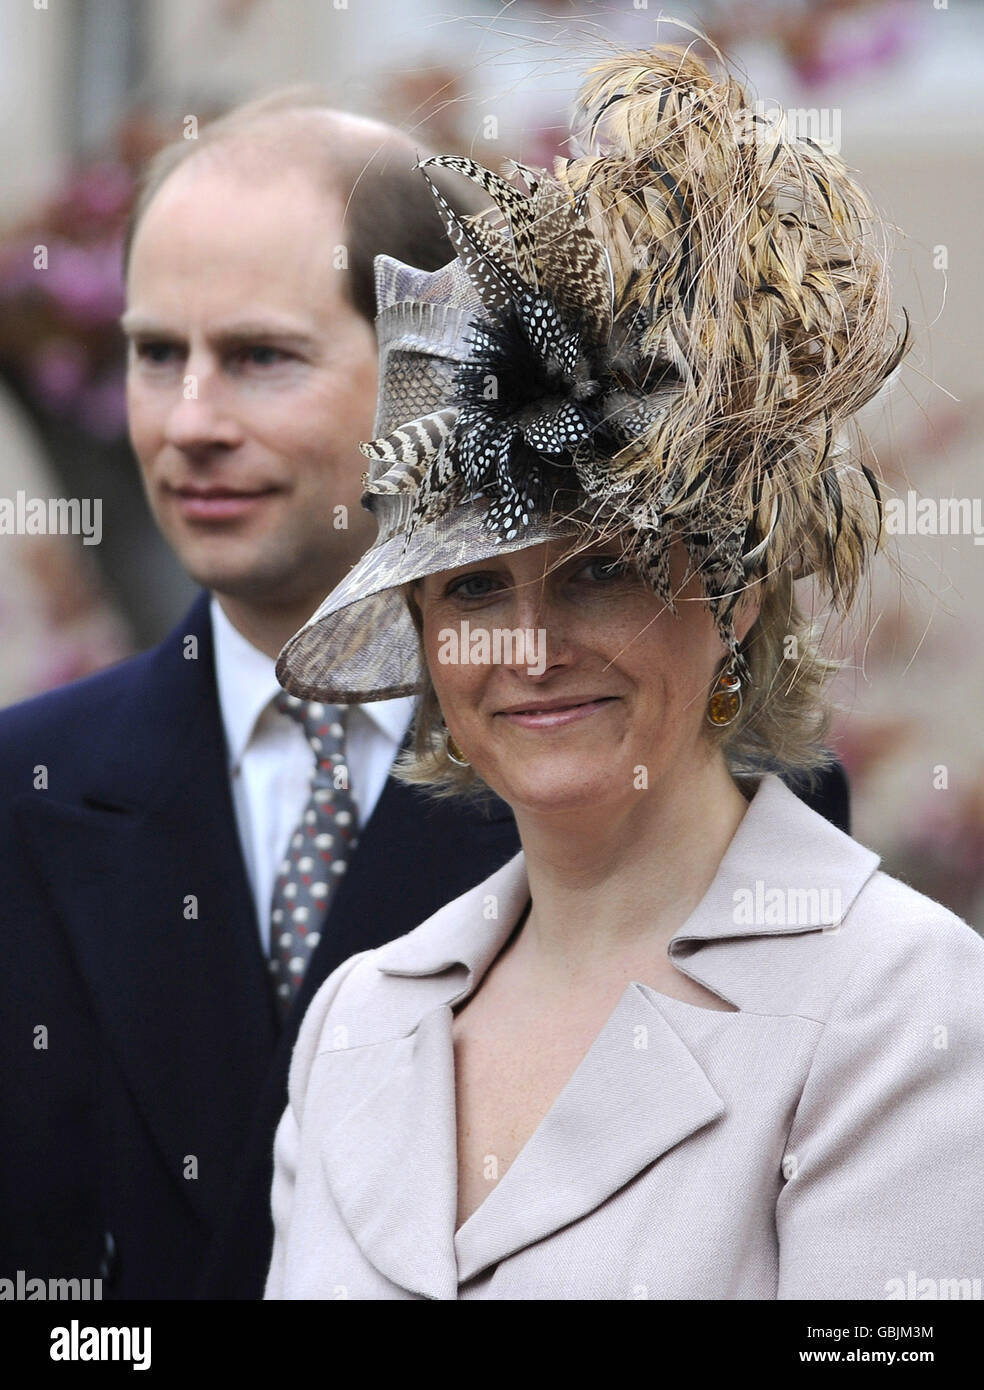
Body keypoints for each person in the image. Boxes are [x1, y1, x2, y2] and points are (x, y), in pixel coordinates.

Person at [264, 44, 984, 1300]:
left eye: (600, 569)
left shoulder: (894, 999)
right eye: (475, 585)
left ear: (737, 592)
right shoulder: (360, 1019)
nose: (531, 647)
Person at [0, 95, 523, 1301]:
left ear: (431, 372)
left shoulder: (664, 796)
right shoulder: (24, 794)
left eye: (260, 357)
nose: (189, 423)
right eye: (153, 354)